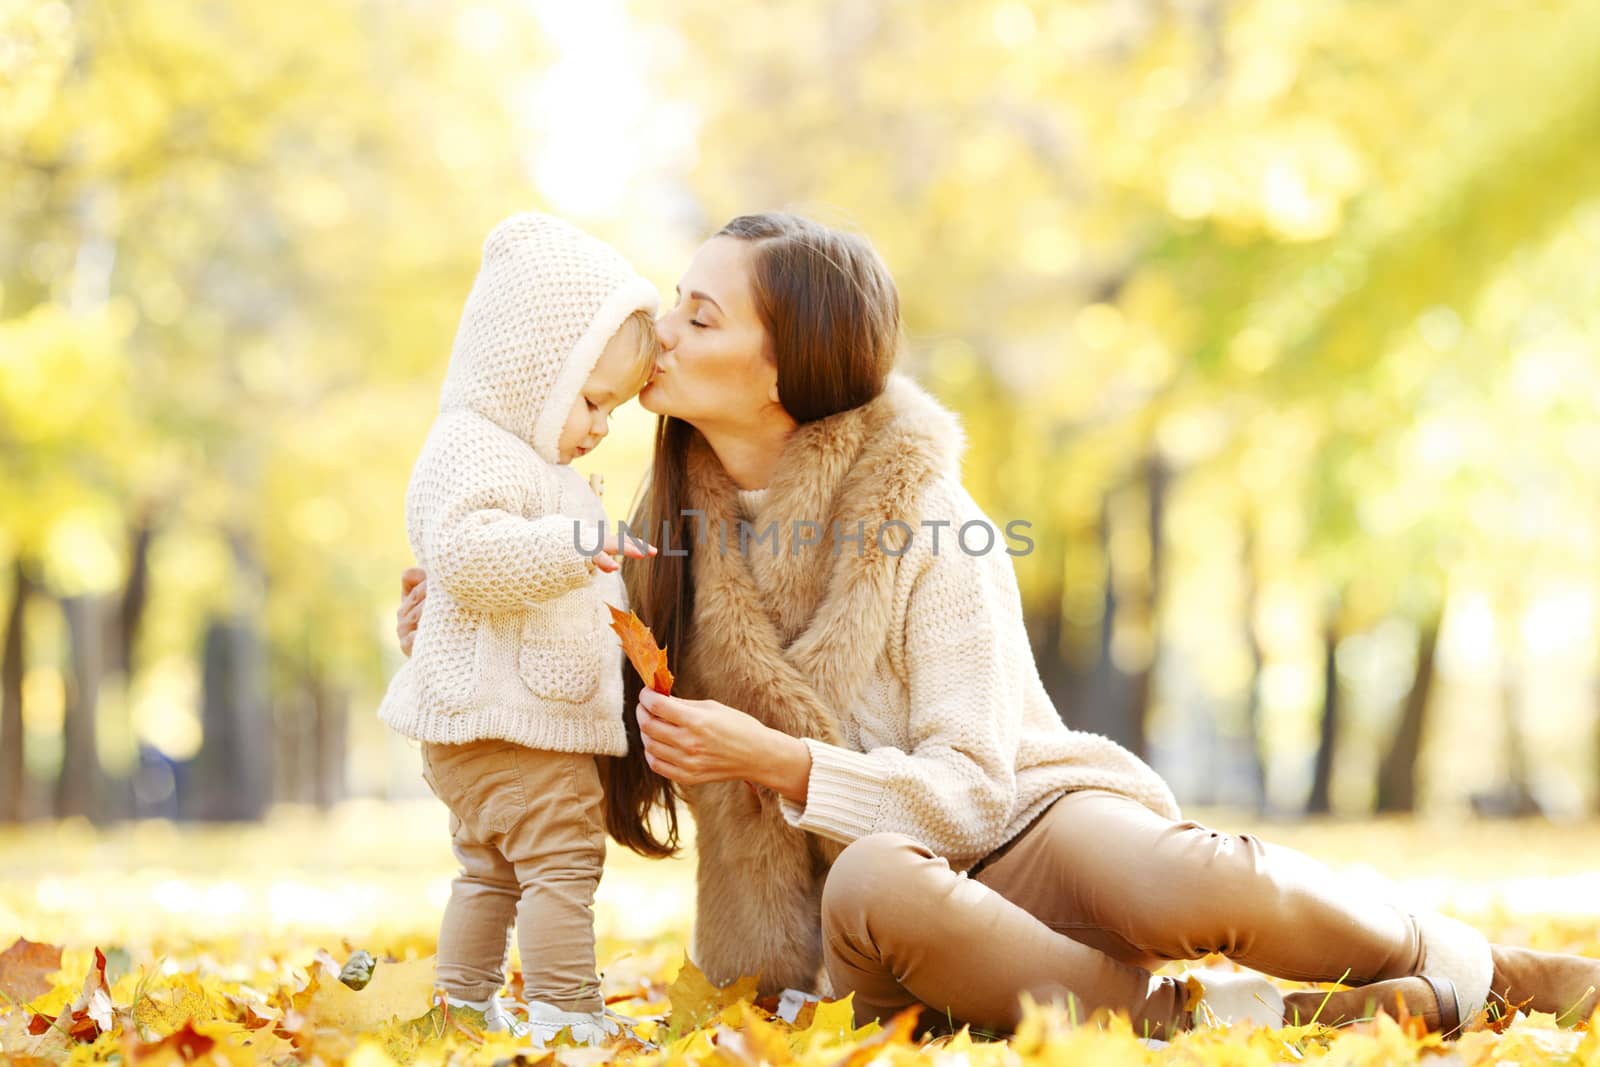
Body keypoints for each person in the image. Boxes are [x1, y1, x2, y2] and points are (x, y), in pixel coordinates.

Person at [396, 212, 1600, 1041]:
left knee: (1180, 872)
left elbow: (973, 791)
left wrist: (777, 759)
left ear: (782, 369)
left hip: (1025, 818)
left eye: (697, 317)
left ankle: (1486, 970)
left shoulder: (924, 507)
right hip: (858, 919)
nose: (659, 334)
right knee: (878, 874)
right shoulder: (654, 524)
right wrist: (464, 633)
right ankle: (1226, 1020)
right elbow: (601, 724)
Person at [379, 212, 659, 1044]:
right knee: (564, 862)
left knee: (492, 869)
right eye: (593, 399)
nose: (602, 426)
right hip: (513, 725)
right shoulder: (474, 447)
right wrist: (579, 542)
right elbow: (468, 558)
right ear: (534, 370)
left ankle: (463, 1005)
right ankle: (570, 1016)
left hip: (500, 713)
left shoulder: (523, 462)